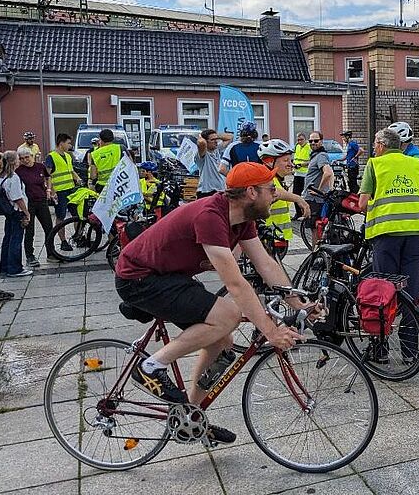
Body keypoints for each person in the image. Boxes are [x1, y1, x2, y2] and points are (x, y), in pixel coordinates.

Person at [115, 162, 315, 444]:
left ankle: (189, 418)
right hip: (139, 277)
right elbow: (235, 285)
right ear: (251, 193)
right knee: (228, 315)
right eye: (271, 190)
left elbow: (266, 265)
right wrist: (271, 331)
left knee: (222, 342)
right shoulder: (211, 216)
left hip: (170, 275)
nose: (277, 195)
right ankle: (150, 367)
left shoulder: (242, 219)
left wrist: (300, 305)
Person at [358, 128, 419, 317]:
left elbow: (362, 203)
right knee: (411, 288)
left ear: (381, 145)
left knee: (385, 287)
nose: (373, 148)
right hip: (415, 233)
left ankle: (382, 341)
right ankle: (411, 341)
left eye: (374, 144)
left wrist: (376, 211)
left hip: (386, 234)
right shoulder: (417, 164)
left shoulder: (374, 164)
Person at [258, 139, 310, 243]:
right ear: (269, 161)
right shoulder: (266, 180)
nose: (291, 164)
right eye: (286, 160)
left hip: (278, 238)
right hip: (268, 241)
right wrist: (299, 199)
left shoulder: (277, 180)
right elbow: (274, 192)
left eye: (291, 160)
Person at [44, 133, 82, 252]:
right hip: (59, 192)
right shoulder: (51, 157)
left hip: (71, 190)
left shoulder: (68, 156)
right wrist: (51, 191)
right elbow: (47, 175)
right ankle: (63, 242)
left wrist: (78, 178)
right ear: (61, 143)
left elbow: (71, 171)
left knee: (77, 215)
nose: (70, 145)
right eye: (68, 143)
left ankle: (78, 237)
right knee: (60, 217)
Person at [16, 148, 54, 266]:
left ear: (32, 156)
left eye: (27, 157)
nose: (25, 160)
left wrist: (48, 190)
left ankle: (51, 253)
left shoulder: (39, 167)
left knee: (49, 227)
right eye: (21, 158)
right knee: (30, 230)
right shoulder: (19, 171)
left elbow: (48, 177)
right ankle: (30, 256)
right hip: (28, 203)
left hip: (42, 201)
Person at [0, 151, 32, 277]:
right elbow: (17, 198)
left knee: (7, 238)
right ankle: (15, 268)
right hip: (17, 211)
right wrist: (26, 213)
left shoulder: (0, 176)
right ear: (13, 161)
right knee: (16, 240)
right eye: (18, 159)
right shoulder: (13, 177)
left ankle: (5, 267)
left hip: (8, 211)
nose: (19, 161)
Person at [302, 131, 334, 243]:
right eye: (310, 141)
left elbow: (328, 173)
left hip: (314, 199)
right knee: (316, 228)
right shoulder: (316, 155)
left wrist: (319, 190)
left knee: (315, 229)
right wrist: (330, 188)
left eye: (316, 140)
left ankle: (316, 254)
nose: (313, 143)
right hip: (313, 198)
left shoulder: (321, 155)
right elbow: (331, 174)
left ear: (321, 141)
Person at [196, 129, 233, 199]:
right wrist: (201, 137)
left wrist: (216, 137)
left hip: (220, 190)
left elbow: (230, 137)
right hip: (207, 192)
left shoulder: (216, 150)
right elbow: (201, 143)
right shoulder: (202, 155)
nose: (216, 141)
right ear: (206, 142)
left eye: (216, 139)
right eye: (212, 140)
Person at [292, 132, 311, 219]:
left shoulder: (309, 147)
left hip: (306, 174)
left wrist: (302, 165)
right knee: (295, 194)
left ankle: (307, 212)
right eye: (298, 139)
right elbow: (295, 158)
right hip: (297, 174)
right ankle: (298, 213)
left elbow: (311, 161)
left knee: (306, 195)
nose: (299, 141)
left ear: (305, 139)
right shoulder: (297, 146)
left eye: (301, 139)